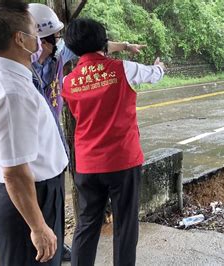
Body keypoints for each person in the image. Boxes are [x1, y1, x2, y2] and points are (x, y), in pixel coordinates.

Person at [27, 3, 146, 261]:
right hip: (31, 149)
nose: (58, 43)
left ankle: (56, 247)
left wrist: (125, 46)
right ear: (37, 42)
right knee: (40, 211)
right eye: (54, 38)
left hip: (60, 150)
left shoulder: (61, 58)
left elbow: (93, 46)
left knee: (72, 213)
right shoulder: (23, 70)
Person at [61, 18, 165, 265]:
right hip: (123, 161)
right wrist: (160, 67)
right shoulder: (123, 69)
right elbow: (154, 75)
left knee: (86, 224)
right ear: (103, 42)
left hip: (86, 165)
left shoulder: (68, 82)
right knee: (125, 225)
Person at [0, 0, 68, 265]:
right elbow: (15, 172)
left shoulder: (13, 77)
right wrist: (38, 227)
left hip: (36, 194)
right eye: (33, 32)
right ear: (20, 39)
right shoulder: (11, 92)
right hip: (28, 200)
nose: (38, 39)